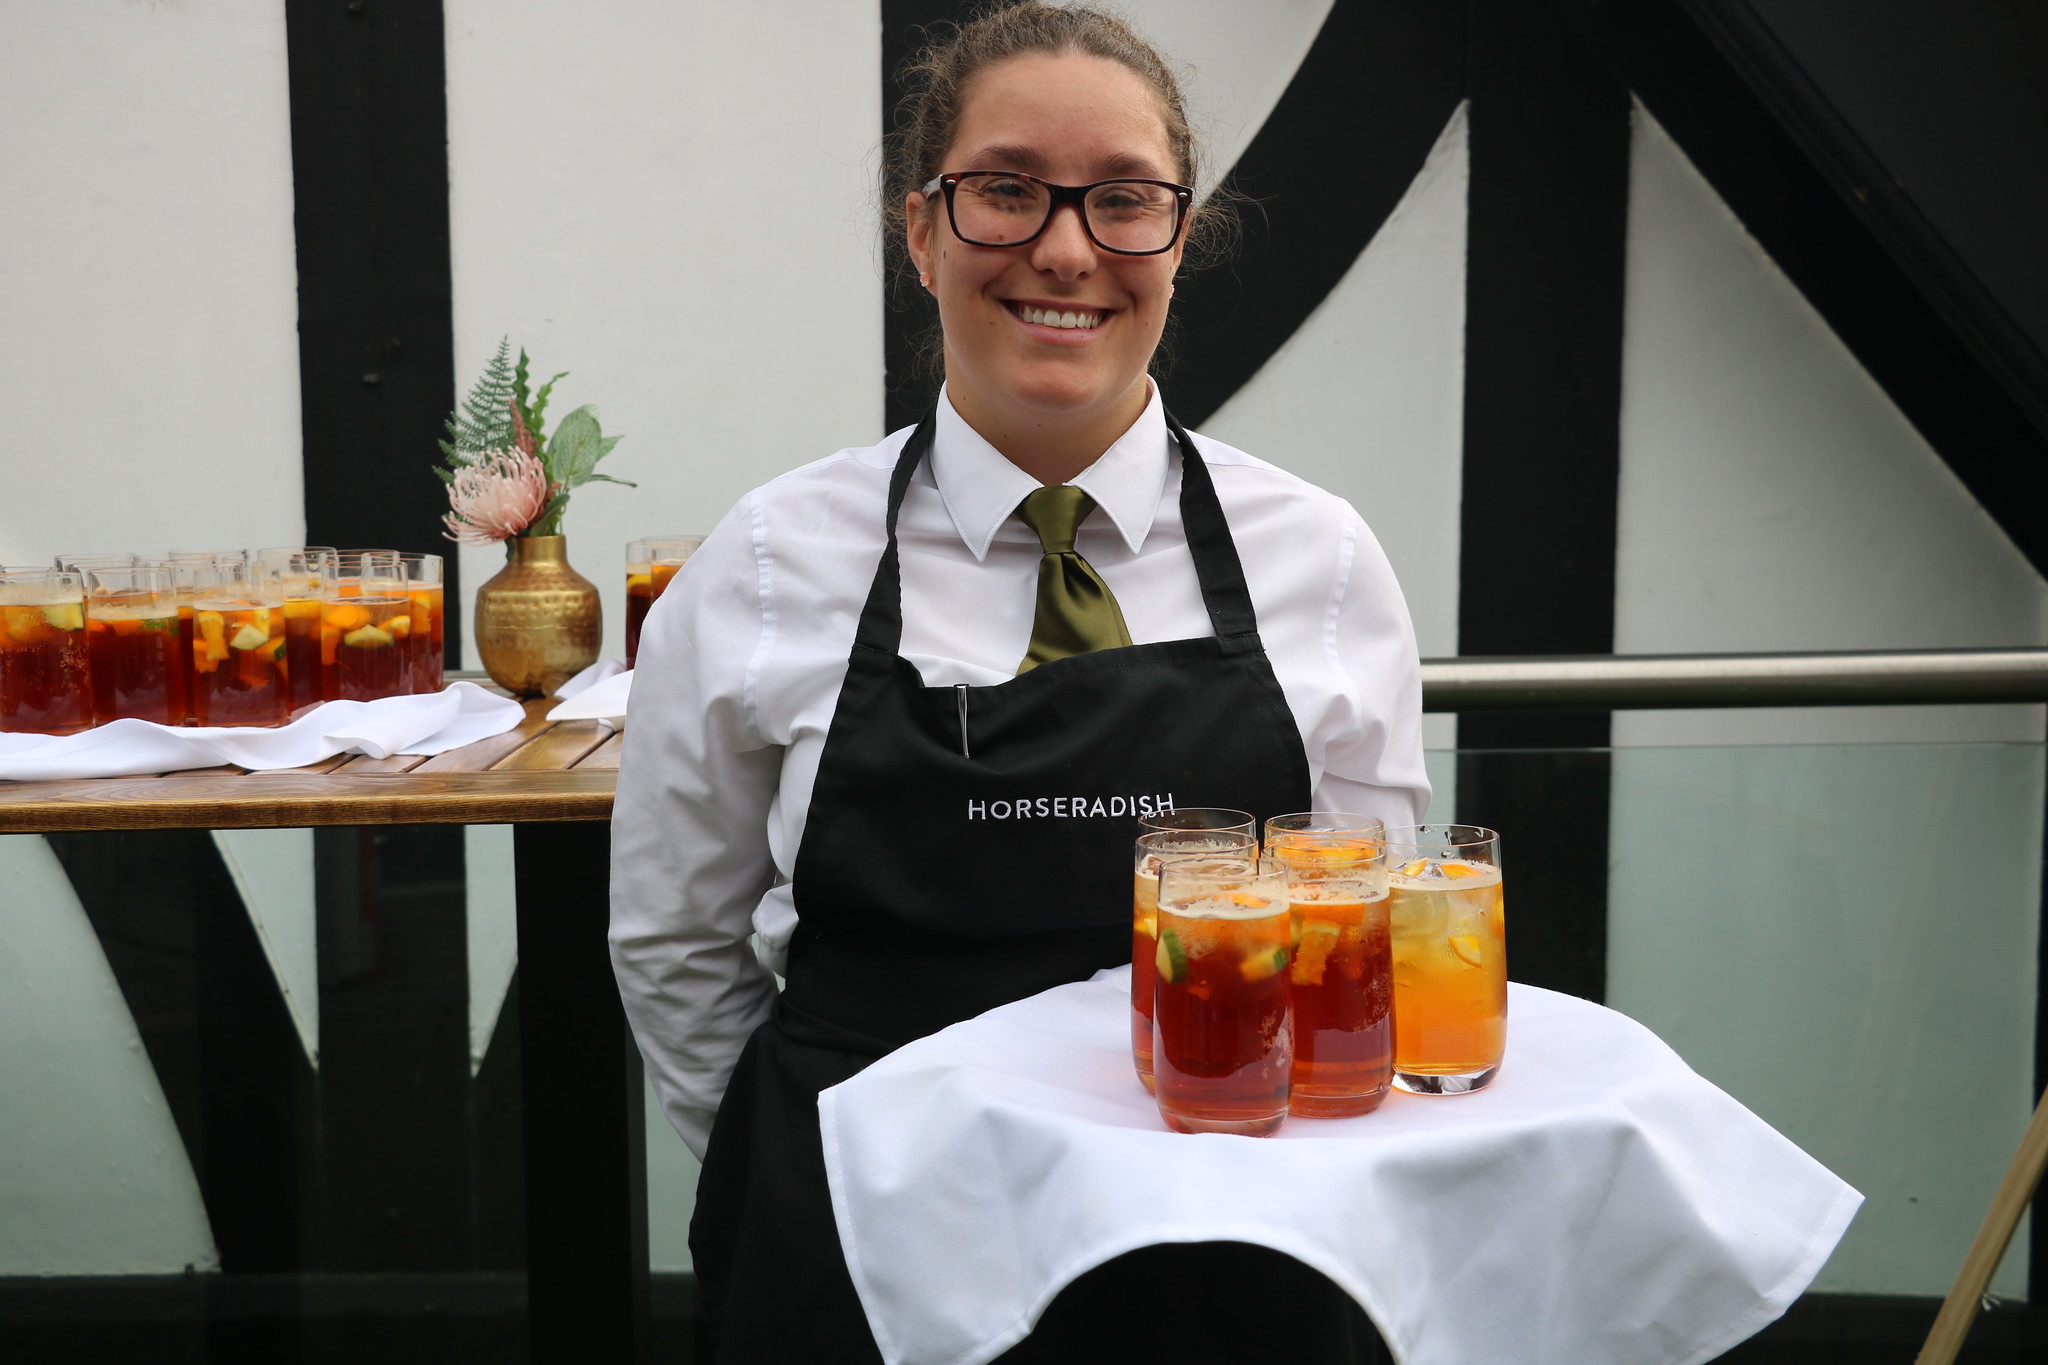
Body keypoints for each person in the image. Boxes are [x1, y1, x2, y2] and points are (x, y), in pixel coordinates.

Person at [611, 4, 1428, 1359]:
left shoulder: (1322, 561)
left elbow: (1366, 944)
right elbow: (676, 947)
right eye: (1005, 191)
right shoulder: (764, 560)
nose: (1065, 247)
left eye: (1123, 200)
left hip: (1224, 1266)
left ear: (1179, 237)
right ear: (922, 231)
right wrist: (818, 1169)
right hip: (860, 1262)